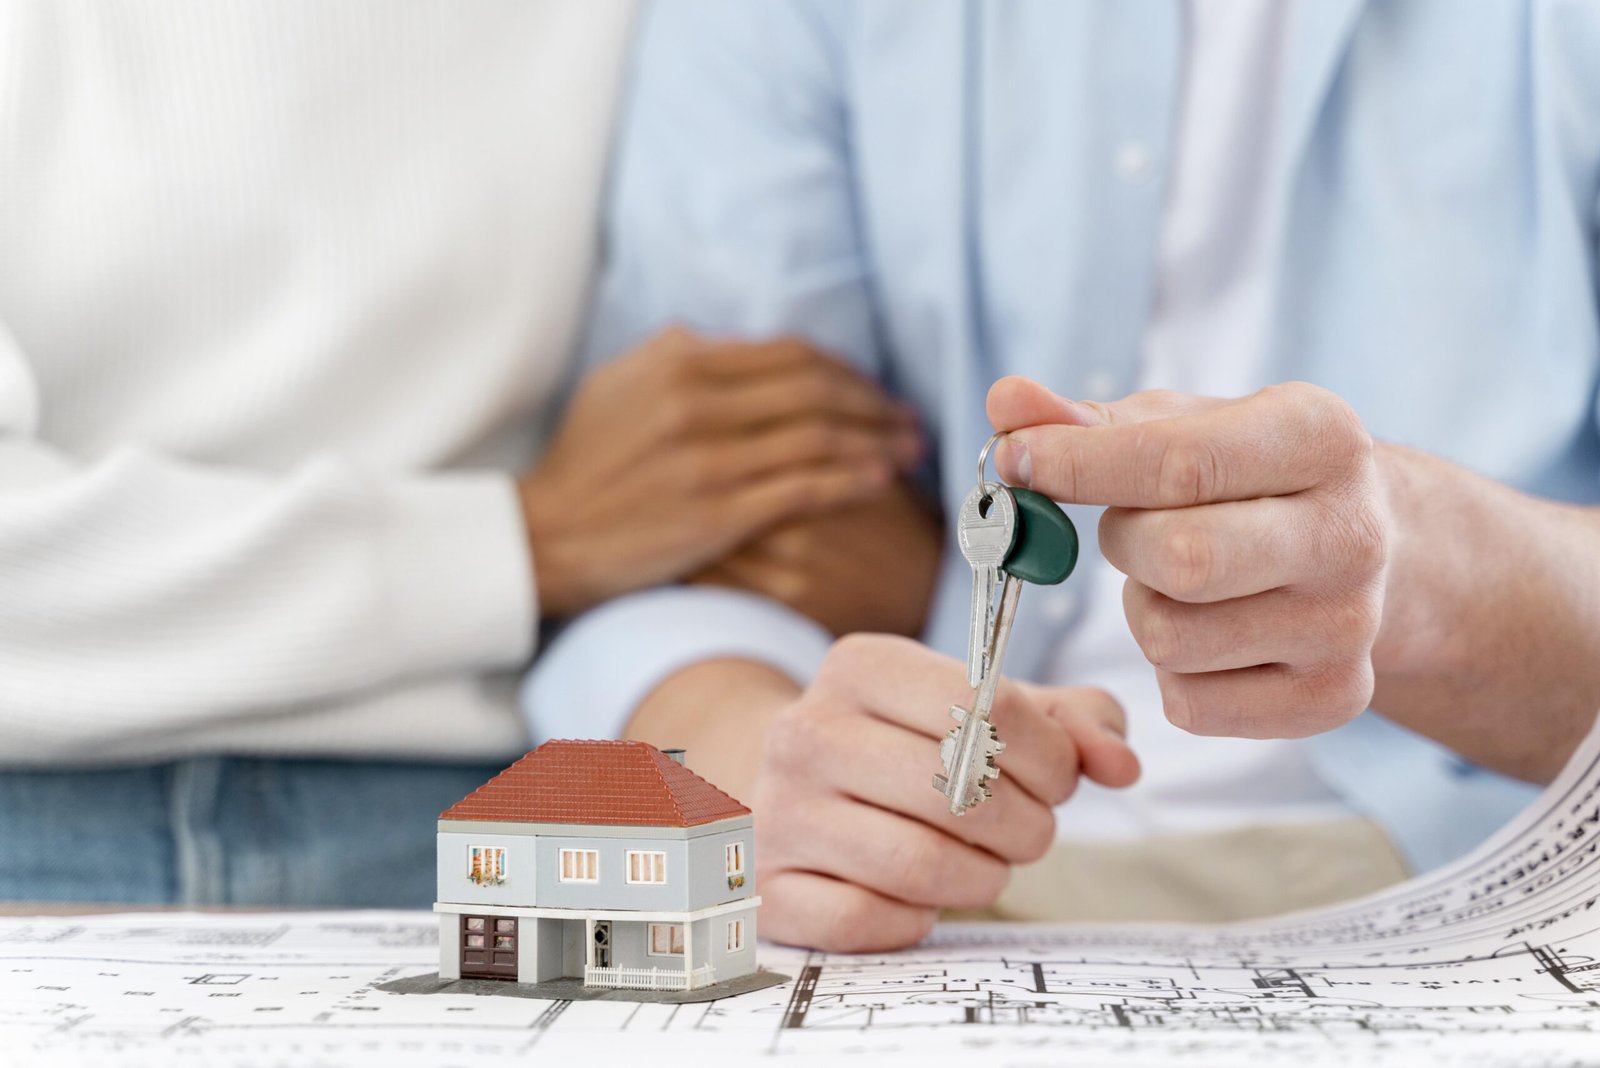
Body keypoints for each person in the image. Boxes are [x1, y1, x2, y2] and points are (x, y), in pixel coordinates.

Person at [525, 0, 1600, 949]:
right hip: (920, 891)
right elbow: (690, 542)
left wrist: (1428, 577)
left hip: (1469, 863)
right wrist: (763, 760)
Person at [0, 2, 939, 906]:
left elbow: (765, 461)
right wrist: (529, 542)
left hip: (526, 795)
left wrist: (906, 567)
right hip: (52, 809)